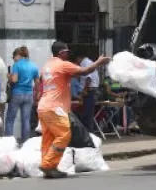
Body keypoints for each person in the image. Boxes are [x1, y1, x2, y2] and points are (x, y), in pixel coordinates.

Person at [38, 41, 109, 178]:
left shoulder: (47, 65)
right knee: (64, 135)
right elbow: (85, 71)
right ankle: (47, 164)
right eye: (67, 52)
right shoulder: (62, 64)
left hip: (44, 107)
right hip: (54, 107)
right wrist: (99, 62)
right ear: (62, 52)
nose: (68, 54)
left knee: (48, 138)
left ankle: (49, 166)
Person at [6, 46, 40, 144]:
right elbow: (37, 82)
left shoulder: (17, 65)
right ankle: (25, 143)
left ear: (18, 55)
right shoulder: (33, 65)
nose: (13, 59)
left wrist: (9, 76)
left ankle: (8, 143)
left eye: (14, 57)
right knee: (26, 120)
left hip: (17, 93)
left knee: (10, 119)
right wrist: (37, 94)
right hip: (29, 94)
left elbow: (14, 80)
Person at [73, 53, 100, 132]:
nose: (77, 64)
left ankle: (89, 133)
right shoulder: (89, 62)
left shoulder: (85, 63)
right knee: (87, 114)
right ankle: (89, 132)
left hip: (89, 91)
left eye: (76, 61)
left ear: (78, 58)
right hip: (91, 90)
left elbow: (89, 79)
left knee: (87, 115)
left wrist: (84, 91)